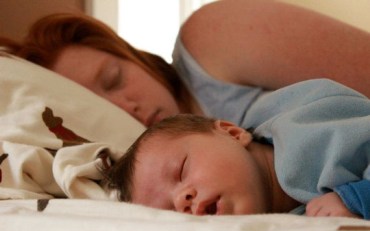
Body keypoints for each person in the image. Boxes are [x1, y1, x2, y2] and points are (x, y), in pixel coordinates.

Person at [1, 0, 370, 128]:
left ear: (134, 57)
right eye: (95, 109)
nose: (124, 108)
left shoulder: (213, 39)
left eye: (114, 79)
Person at [102, 78, 370, 219]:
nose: (181, 200)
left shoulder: (312, 132)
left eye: (181, 171)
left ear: (232, 132)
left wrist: (357, 198)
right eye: (170, 211)